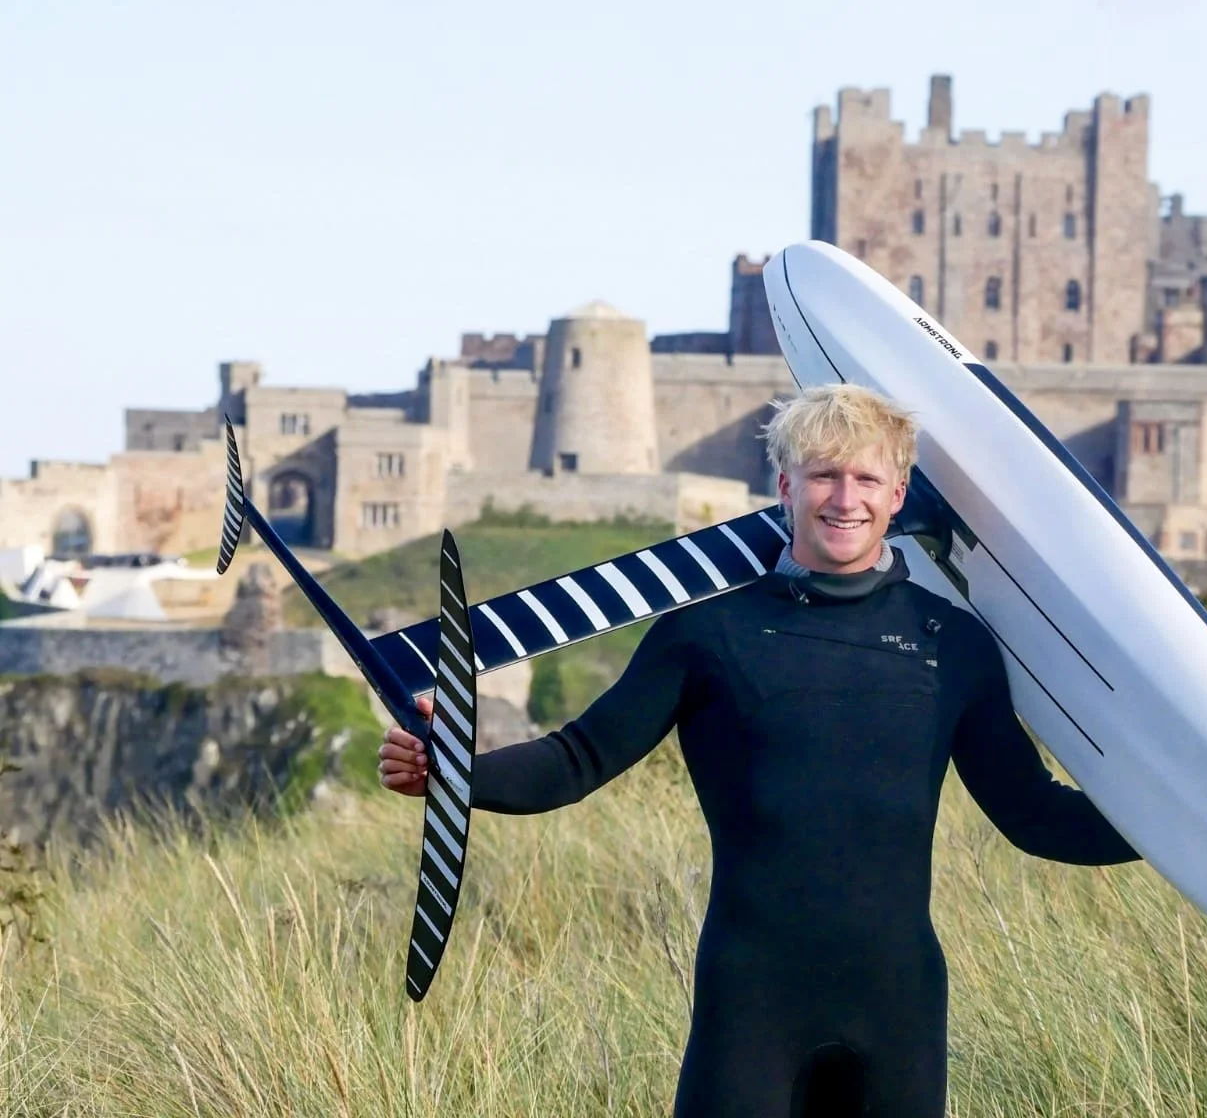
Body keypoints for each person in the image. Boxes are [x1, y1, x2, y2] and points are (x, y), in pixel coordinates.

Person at [378, 383, 1138, 1117]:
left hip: (898, 1005)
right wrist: (450, 775)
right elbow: (575, 760)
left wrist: (1191, 835)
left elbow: (1033, 815)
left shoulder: (953, 644)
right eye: (824, 476)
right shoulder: (707, 636)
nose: (846, 500)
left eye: (867, 478)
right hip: (752, 1006)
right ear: (785, 485)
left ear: (899, 494)